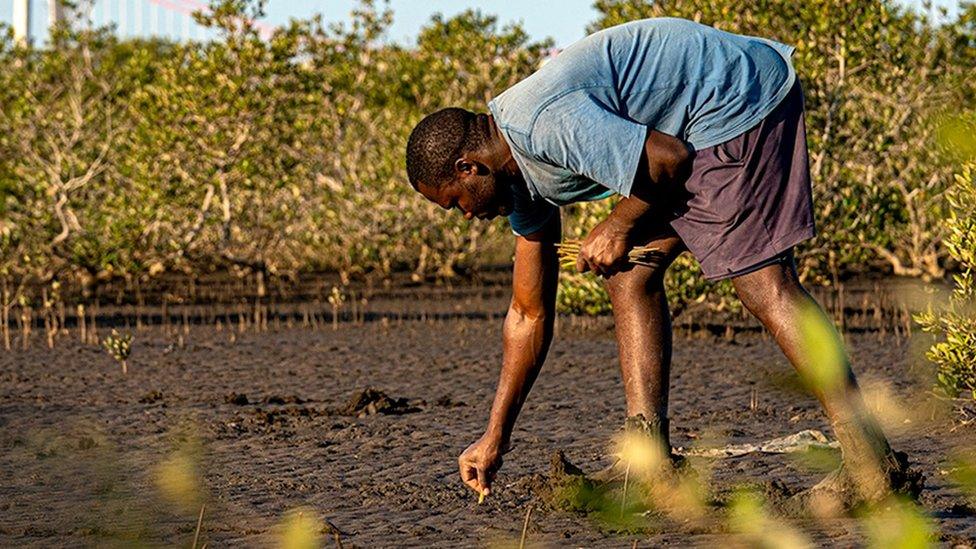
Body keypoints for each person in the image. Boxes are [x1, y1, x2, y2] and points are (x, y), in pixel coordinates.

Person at [404, 17, 919, 508]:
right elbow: (527, 314)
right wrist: (494, 437)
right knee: (631, 274)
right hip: (692, 131)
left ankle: (870, 464)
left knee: (763, 285)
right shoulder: (515, 180)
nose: (468, 217)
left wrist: (618, 225)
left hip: (735, 102)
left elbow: (668, 161)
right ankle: (648, 465)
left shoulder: (543, 124)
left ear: (468, 168)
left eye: (456, 203)